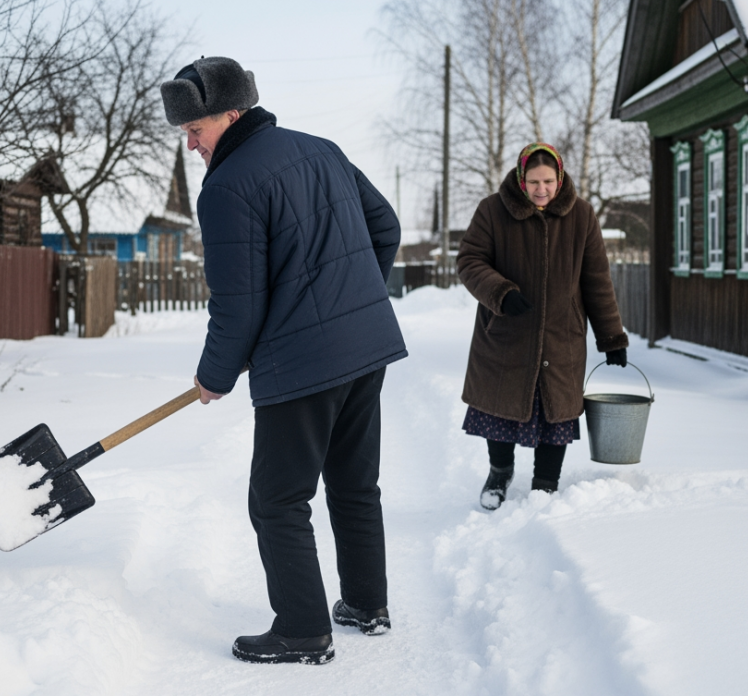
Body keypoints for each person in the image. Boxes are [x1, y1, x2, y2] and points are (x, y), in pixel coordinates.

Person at [160, 57, 407, 665]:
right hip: (365, 349)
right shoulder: (322, 149)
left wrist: (215, 374)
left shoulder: (227, 186)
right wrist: (350, 302)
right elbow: (385, 227)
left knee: (277, 499)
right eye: (186, 133)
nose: (191, 145)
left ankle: (303, 630)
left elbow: (238, 305)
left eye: (196, 129)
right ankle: (366, 605)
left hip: (302, 365)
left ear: (232, 114)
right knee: (354, 482)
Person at [456, 142, 628, 511]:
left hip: (561, 335)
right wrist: (500, 293)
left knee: (557, 412)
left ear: (559, 178)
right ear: (521, 179)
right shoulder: (492, 210)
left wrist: (611, 337)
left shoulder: (581, 215)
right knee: (500, 406)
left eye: (548, 181)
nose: (541, 189)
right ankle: (499, 472)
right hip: (505, 332)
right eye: (533, 182)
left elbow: (597, 280)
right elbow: (470, 261)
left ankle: (546, 484)